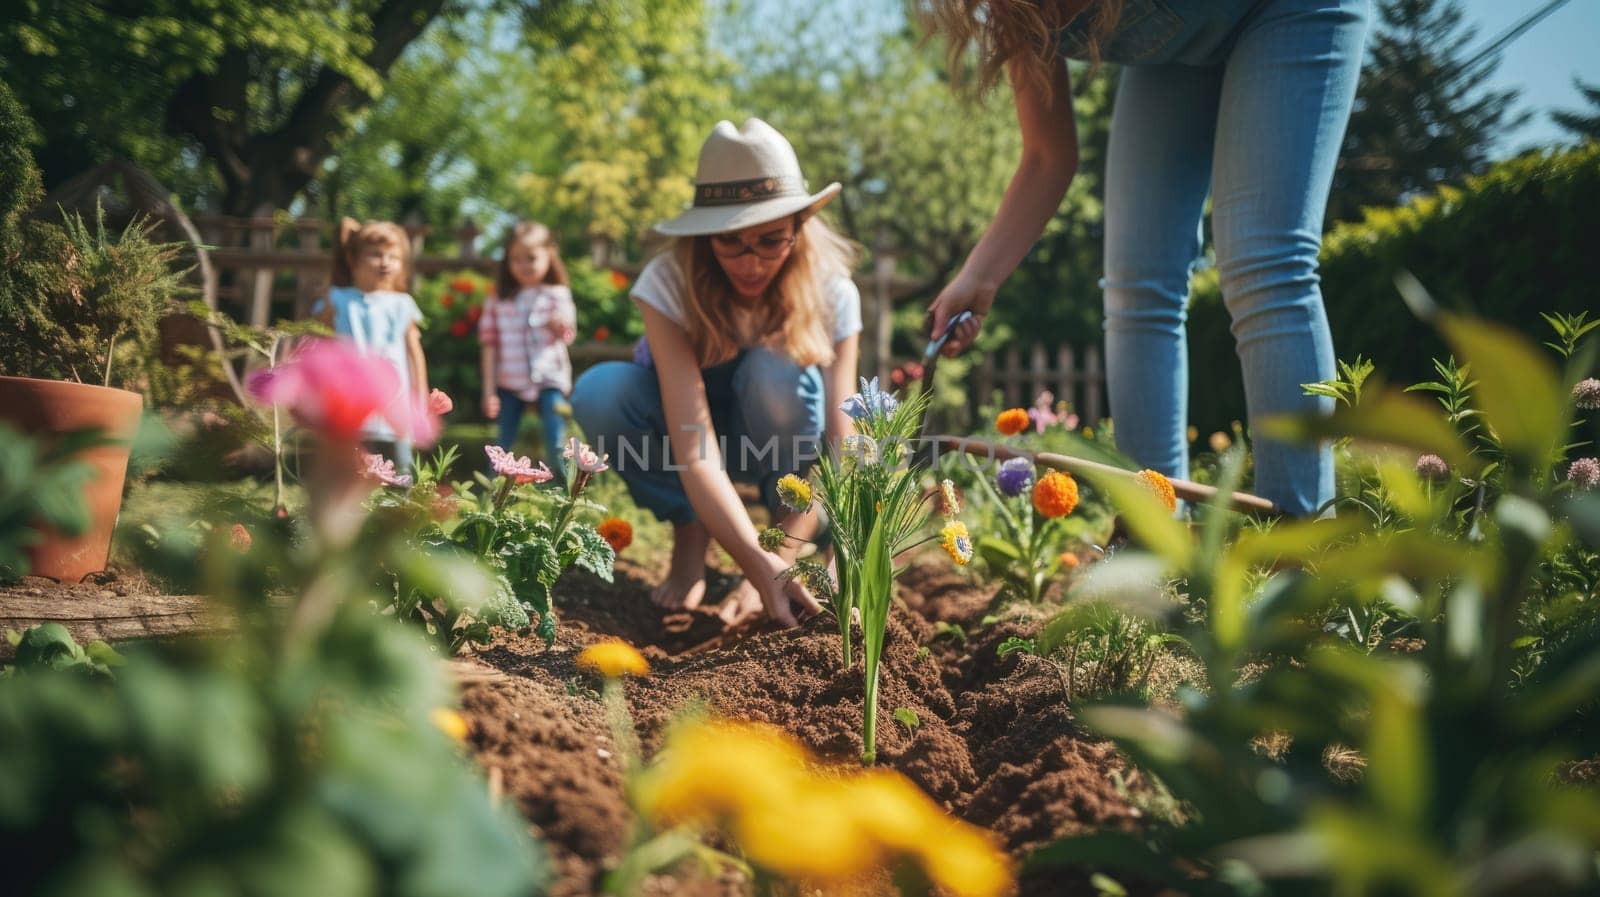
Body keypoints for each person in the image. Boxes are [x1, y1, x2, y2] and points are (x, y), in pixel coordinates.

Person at [922, 0, 1370, 516]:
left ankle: (1300, 553)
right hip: (1174, 55)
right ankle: (1154, 542)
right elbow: (1048, 155)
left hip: (1290, 12)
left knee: (1264, 265)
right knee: (1135, 289)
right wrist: (979, 277)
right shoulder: (1017, 11)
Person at [572, 118, 862, 628]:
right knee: (600, 392)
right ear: (705, 239)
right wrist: (757, 568)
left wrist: (784, 562)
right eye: (731, 243)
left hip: (782, 450)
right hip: (692, 437)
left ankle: (782, 537)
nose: (751, 263)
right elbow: (694, 448)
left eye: (771, 240)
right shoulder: (668, 284)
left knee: (775, 371)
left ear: (799, 229)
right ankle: (691, 534)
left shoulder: (831, 292)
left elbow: (843, 441)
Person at [314, 217, 429, 471]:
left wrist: (420, 403)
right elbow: (318, 341)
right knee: (349, 471)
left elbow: (414, 354)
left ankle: (400, 510)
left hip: (395, 404)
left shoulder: (402, 304)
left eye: (394, 257)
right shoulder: (337, 299)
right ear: (353, 260)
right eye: (376, 255)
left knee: (401, 472)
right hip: (349, 402)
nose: (386, 263)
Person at [480, 221, 577, 477]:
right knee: (502, 444)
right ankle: (491, 496)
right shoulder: (498, 299)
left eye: (531, 258)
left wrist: (559, 325)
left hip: (549, 379)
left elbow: (567, 334)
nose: (523, 265)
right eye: (516, 259)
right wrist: (489, 391)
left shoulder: (557, 294)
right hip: (510, 381)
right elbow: (489, 345)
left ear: (549, 256)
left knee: (556, 439)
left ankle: (563, 494)